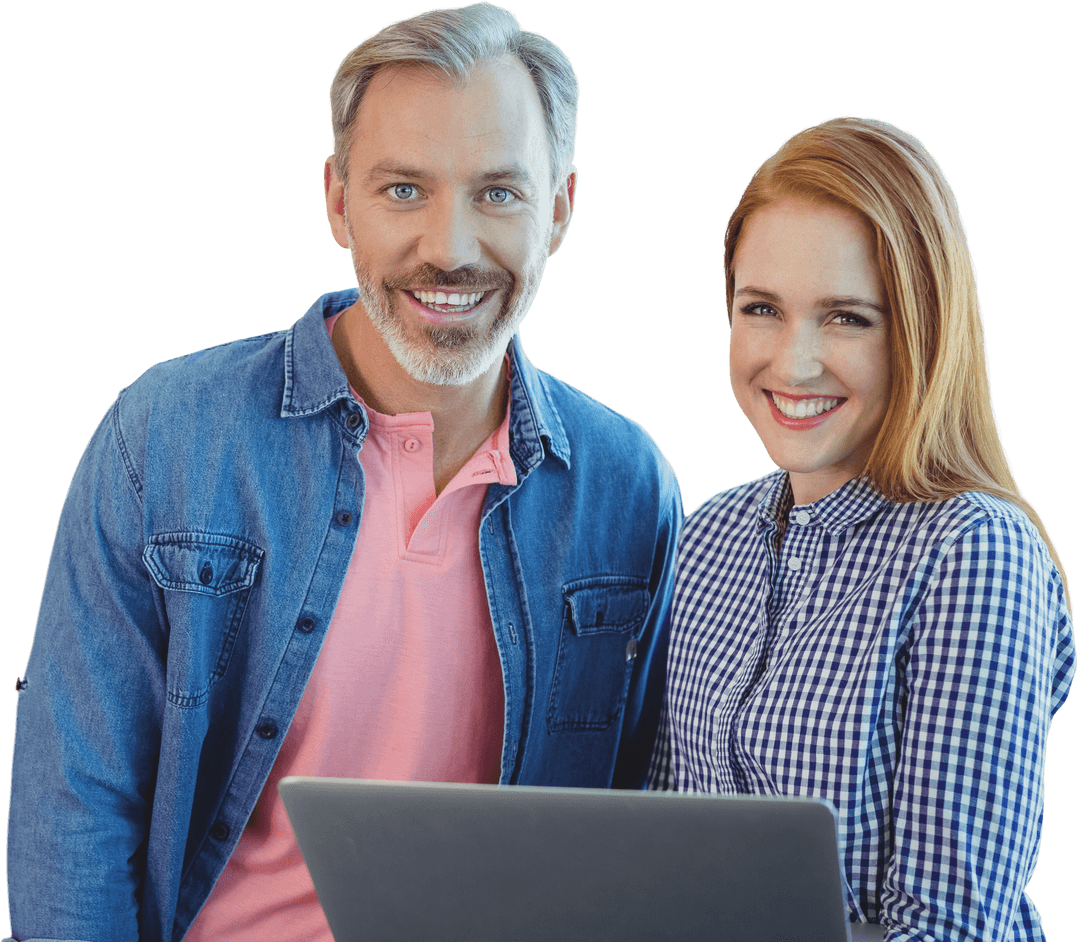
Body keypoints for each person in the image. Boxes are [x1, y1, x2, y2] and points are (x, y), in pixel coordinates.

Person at [6, 4, 681, 939]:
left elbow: (647, 816)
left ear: (560, 209)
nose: (450, 247)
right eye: (404, 190)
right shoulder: (164, 439)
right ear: (336, 200)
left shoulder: (627, 487)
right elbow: (74, 809)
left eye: (498, 193)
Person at [649, 116, 1075, 942]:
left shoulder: (973, 555)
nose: (794, 360)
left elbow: (949, 930)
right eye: (762, 308)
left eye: (846, 317)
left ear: (920, 330)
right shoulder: (708, 538)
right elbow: (661, 863)